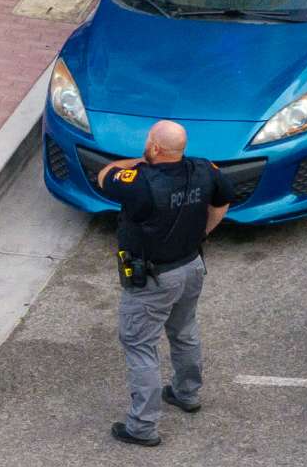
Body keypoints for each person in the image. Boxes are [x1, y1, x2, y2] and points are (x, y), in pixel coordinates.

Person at [97, 120, 235, 446]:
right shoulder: (204, 169)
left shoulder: (140, 182)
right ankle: (187, 394)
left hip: (154, 278)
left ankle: (142, 426)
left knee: (140, 345)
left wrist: (140, 160)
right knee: (184, 331)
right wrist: (202, 232)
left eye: (149, 140)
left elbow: (105, 175)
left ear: (155, 148)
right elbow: (223, 201)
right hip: (191, 267)